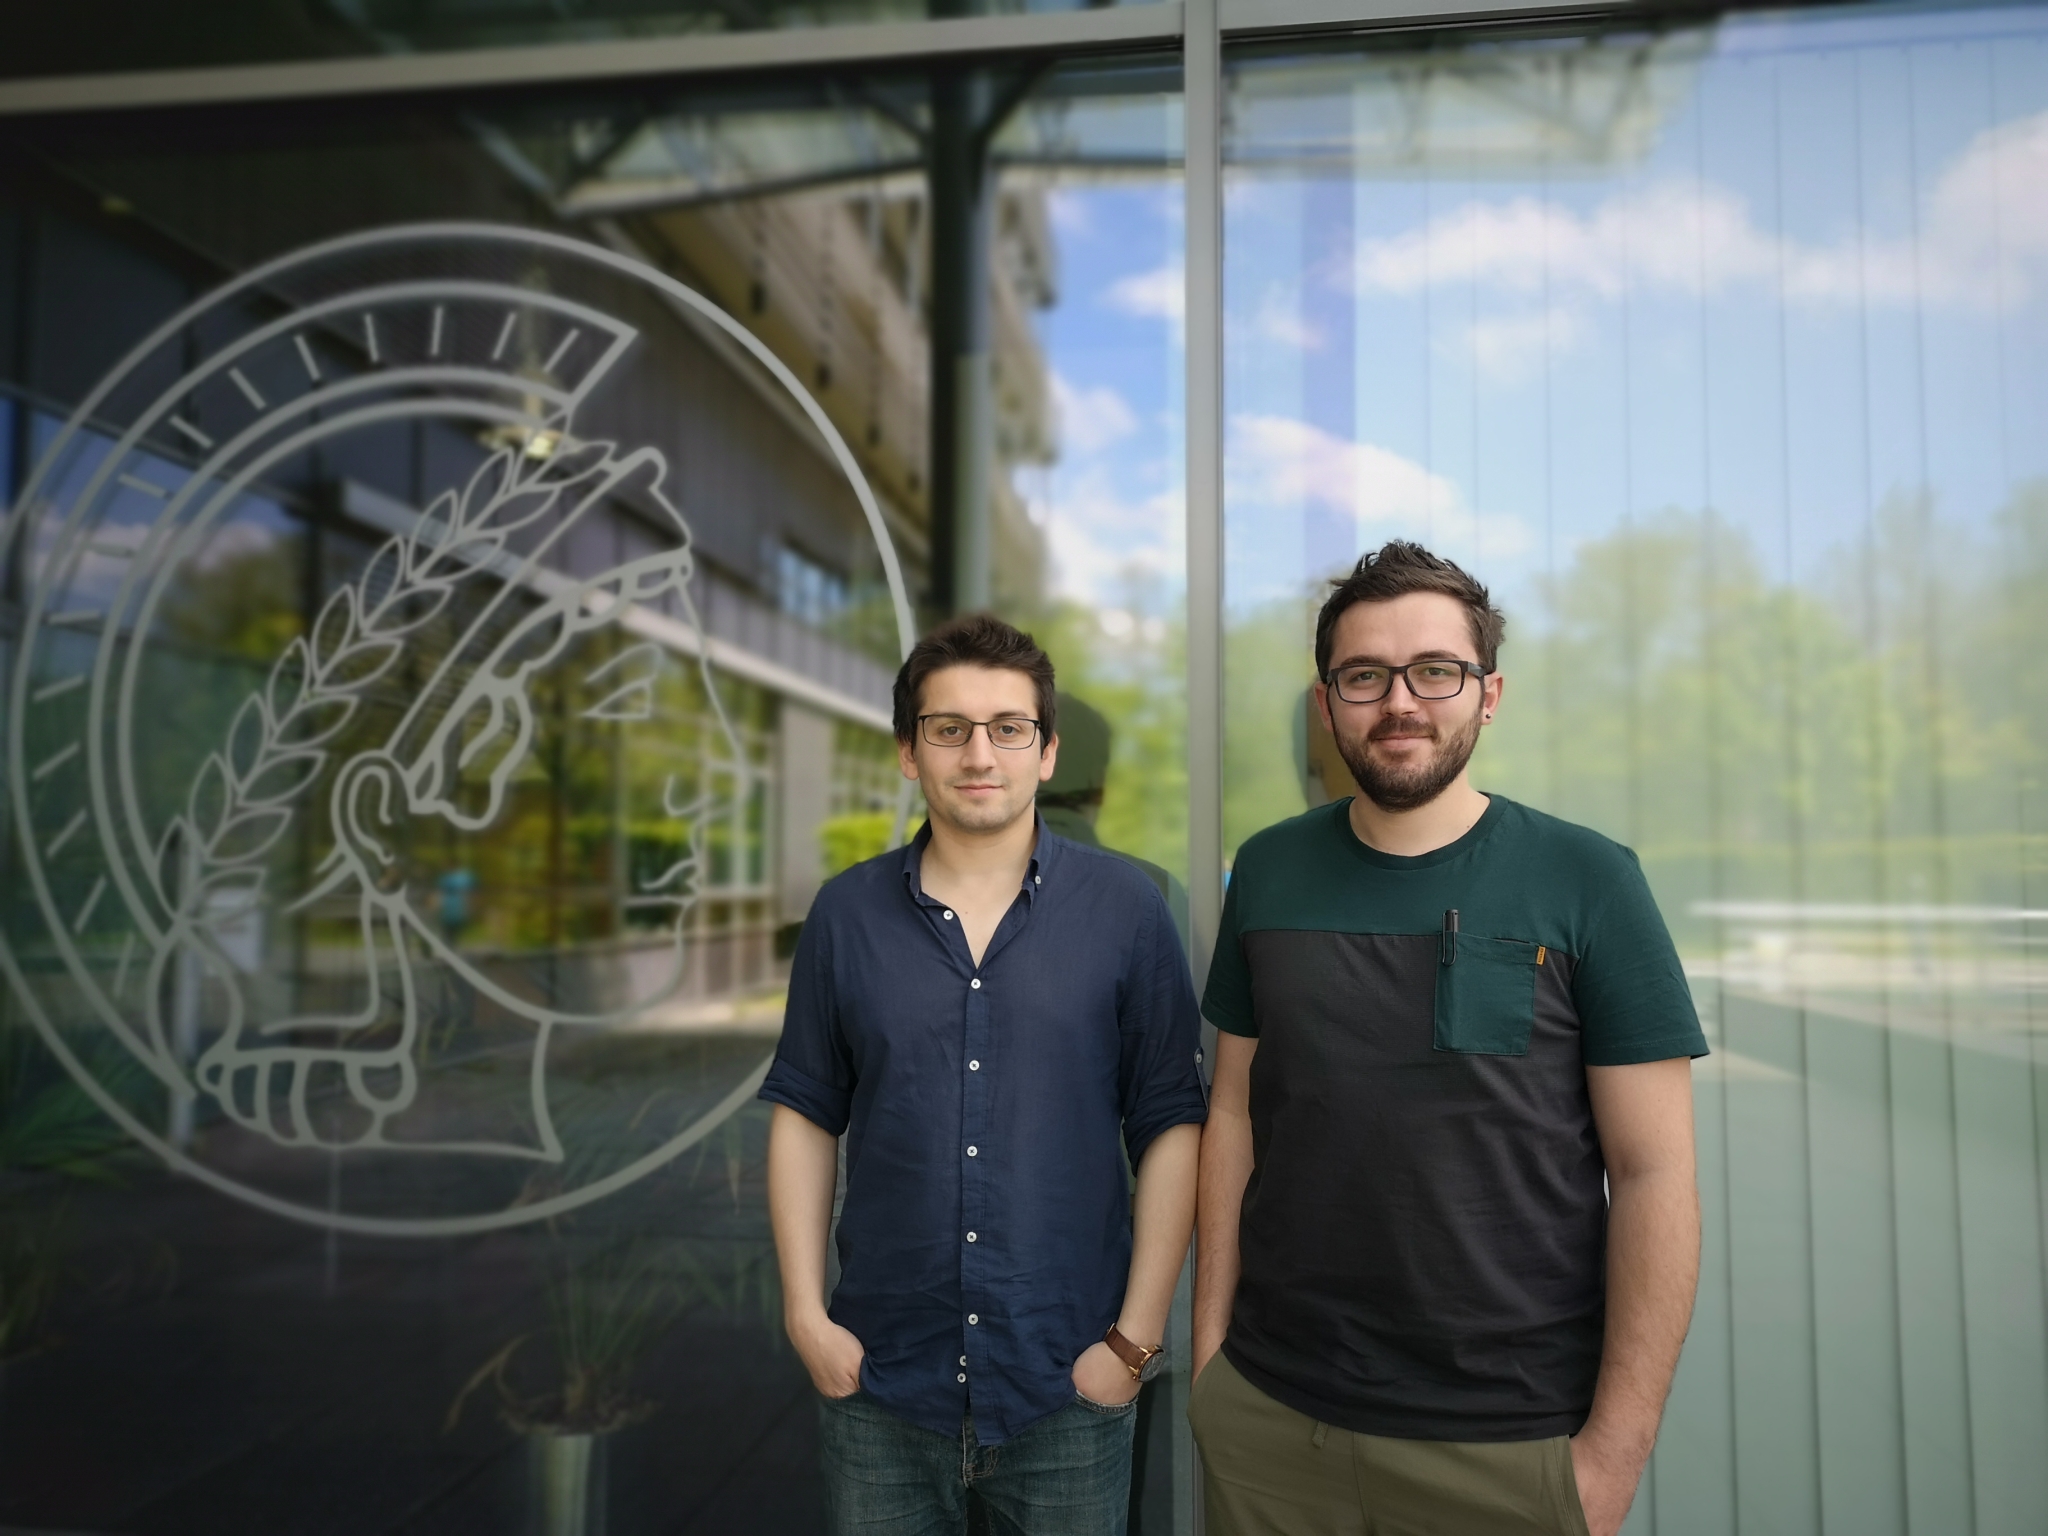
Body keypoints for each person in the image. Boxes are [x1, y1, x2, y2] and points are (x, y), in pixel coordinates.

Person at [1190, 541, 1706, 1536]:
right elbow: (1230, 1112)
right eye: (1362, 675)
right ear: (1325, 698)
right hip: (1270, 1422)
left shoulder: (1588, 880)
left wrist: (1612, 1453)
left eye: (1434, 671)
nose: (1398, 702)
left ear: (1488, 693)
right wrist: (1212, 1356)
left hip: (1507, 1445)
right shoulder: (1265, 871)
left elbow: (1653, 1177)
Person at [763, 614, 1207, 1536]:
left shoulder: (1128, 909)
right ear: (907, 751)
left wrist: (1131, 1344)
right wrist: (807, 1317)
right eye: (949, 728)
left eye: (1009, 728)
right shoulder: (845, 915)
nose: (980, 753)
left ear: (1046, 752)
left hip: (1066, 1388)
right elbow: (807, 1114)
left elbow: (1170, 1122)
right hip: (882, 1387)